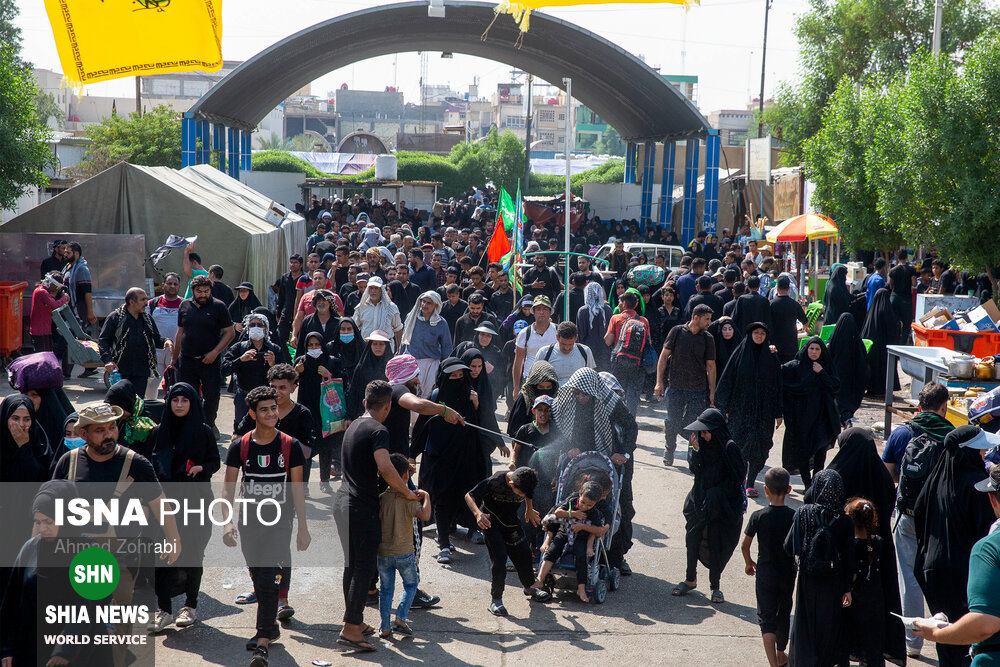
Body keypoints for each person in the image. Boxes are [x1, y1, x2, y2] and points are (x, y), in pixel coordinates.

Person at [221, 386, 310, 667]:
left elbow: (297, 489)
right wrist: (227, 524)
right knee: (259, 576)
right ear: (253, 413)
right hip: (249, 522)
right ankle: (271, 626)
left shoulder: (290, 445)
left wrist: (303, 527)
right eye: (265, 409)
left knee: (269, 579)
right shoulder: (240, 446)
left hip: (280, 523)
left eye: (274, 408)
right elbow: (227, 489)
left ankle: (262, 642)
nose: (272, 413)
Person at [334, 380, 417, 653]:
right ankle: (351, 628)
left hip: (342, 502)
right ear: (389, 406)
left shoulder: (354, 425)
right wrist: (406, 492)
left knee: (352, 565)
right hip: (361, 507)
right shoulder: (379, 430)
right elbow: (385, 467)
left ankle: (353, 621)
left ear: (364, 403)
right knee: (363, 568)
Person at [0, 480, 114, 666]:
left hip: (81, 652)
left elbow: (89, 606)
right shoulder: (31, 548)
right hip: (33, 649)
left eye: (49, 521)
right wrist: (7, 647)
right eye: (38, 522)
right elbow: (13, 602)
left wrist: (65, 649)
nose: (43, 529)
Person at [914, 425, 999, 666]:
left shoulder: (935, 478)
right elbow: (988, 531)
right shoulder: (976, 485)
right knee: (966, 637)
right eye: (981, 450)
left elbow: (919, 515)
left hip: (933, 571)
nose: (984, 453)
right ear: (969, 452)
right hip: (964, 574)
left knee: (947, 637)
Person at [880, 381, 952, 656]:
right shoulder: (952, 437)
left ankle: (912, 643)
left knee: (908, 577)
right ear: (944, 407)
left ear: (919, 406)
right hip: (938, 519)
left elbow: (887, 473)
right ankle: (948, 637)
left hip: (907, 515)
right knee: (938, 578)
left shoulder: (901, 434)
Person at [823, 427, 907, 663]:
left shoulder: (839, 473)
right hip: (877, 554)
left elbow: (817, 498)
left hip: (845, 555)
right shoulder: (881, 476)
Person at [147, 382, 221, 633]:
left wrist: (202, 468)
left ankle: (190, 605)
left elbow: (215, 461)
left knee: (192, 554)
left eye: (184, 400)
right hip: (165, 504)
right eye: (175, 400)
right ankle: (164, 609)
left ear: (192, 403)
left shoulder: (203, 432)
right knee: (162, 555)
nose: (179, 405)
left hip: (195, 501)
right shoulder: (158, 433)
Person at [554, 367, 638, 573]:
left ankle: (616, 559)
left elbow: (631, 427)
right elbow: (559, 431)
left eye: (584, 394)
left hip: (611, 462)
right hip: (580, 464)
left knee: (618, 507)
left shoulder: (611, 403)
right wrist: (568, 448)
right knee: (578, 504)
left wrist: (624, 454)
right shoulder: (568, 402)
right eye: (577, 392)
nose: (580, 397)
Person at [411, 358, 485, 564]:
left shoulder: (469, 397)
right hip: (440, 458)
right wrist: (411, 456)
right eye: (453, 376)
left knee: (461, 497)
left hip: (464, 458)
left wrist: (477, 406)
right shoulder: (435, 399)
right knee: (442, 500)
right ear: (444, 377)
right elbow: (420, 431)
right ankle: (443, 544)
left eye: (461, 376)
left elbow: (475, 427)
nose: (458, 380)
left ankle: (454, 533)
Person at [672, 408, 746, 604]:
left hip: (719, 506)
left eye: (705, 432)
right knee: (692, 538)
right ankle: (690, 579)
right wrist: (695, 450)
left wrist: (716, 494)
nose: (702, 436)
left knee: (715, 543)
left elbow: (737, 478)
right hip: (699, 500)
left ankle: (715, 586)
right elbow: (695, 470)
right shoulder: (701, 445)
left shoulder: (729, 448)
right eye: (700, 432)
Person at [783, 469, 855, 667]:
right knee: (828, 627)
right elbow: (850, 557)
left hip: (808, 578)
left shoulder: (804, 512)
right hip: (834, 581)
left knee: (805, 625)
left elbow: (789, 547)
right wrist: (847, 587)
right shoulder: (845, 521)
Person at [465, 467, 551, 616]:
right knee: (500, 558)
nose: (523, 496)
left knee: (524, 553)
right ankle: (496, 600)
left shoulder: (526, 480)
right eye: (520, 494)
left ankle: (530, 586)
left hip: (511, 522)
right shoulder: (495, 481)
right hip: (491, 523)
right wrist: (478, 514)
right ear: (511, 484)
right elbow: (469, 495)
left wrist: (529, 509)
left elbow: (528, 494)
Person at [715, 322, 783, 496]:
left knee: (761, 445)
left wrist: (778, 412)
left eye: (762, 333)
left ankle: (751, 479)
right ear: (750, 334)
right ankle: (744, 477)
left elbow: (778, 385)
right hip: (740, 409)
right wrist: (725, 406)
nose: (759, 336)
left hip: (764, 411)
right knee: (740, 444)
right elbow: (728, 379)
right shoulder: (740, 353)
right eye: (756, 333)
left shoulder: (771, 355)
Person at [741, 467, 796, 667]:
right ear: (789, 490)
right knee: (783, 613)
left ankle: (774, 663)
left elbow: (745, 544)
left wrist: (749, 563)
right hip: (788, 572)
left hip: (765, 572)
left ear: (765, 490)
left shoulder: (758, 516)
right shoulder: (795, 516)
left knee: (766, 618)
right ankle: (781, 654)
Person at [377, 453, 433, 639]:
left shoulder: (382, 498)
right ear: (406, 476)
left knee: (385, 590)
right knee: (411, 585)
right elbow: (425, 516)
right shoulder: (409, 499)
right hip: (405, 553)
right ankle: (400, 618)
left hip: (384, 552)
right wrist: (426, 496)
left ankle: (385, 627)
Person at [173, 274, 235, 439]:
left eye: (206, 291)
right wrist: (174, 359)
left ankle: (209, 424)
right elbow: (180, 333)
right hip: (187, 360)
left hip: (210, 361)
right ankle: (191, 425)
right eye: (199, 291)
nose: (202, 295)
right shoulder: (184, 305)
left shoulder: (219, 307)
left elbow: (230, 333)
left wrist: (215, 352)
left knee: (212, 395)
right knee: (188, 395)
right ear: (193, 291)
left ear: (210, 290)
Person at [655, 304, 717, 467]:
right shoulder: (677, 332)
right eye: (707, 319)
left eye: (710, 319)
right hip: (675, 386)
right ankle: (670, 449)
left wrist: (712, 392)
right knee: (672, 421)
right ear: (696, 318)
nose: (709, 322)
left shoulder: (708, 338)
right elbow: (663, 357)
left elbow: (711, 366)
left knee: (694, 424)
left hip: (698, 389)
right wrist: (659, 382)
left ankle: (692, 455)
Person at [532, 480, 607, 603]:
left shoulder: (593, 512)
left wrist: (583, 527)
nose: (584, 506)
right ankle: (540, 579)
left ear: (595, 503)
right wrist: (572, 513)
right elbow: (557, 512)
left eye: (589, 505)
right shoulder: (572, 501)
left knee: (581, 557)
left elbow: (598, 530)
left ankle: (581, 588)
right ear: (580, 494)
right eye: (583, 502)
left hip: (581, 536)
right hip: (564, 532)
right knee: (552, 551)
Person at [781, 337, 840, 489]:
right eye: (811, 349)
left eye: (817, 349)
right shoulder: (795, 367)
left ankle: (816, 484)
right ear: (806, 349)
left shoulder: (826, 366)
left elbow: (834, 387)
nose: (814, 352)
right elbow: (779, 376)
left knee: (820, 449)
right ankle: (808, 484)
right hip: (801, 419)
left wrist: (821, 373)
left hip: (822, 417)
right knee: (803, 452)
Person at [292, 331, 342, 485]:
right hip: (306, 409)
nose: (314, 348)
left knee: (326, 447)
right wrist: (296, 373)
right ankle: (304, 484)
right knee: (305, 446)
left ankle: (324, 479)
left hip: (326, 410)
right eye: (310, 345)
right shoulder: (301, 362)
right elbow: (290, 386)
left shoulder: (332, 361)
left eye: (317, 344)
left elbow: (342, 384)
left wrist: (329, 375)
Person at [222, 312, 280, 429]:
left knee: (267, 430)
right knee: (241, 430)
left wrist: (273, 364)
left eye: (260, 325)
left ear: (266, 328)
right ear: (247, 328)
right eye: (252, 325)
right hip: (243, 398)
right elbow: (223, 370)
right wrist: (241, 360)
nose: (256, 328)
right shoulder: (239, 348)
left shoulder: (274, 349)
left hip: (266, 398)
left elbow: (284, 375)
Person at [399, 292, 453, 399]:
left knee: (427, 394)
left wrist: (447, 366)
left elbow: (446, 346)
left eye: (429, 303)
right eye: (423, 302)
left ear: (435, 306)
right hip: (411, 360)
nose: (425, 305)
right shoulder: (411, 317)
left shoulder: (441, 323)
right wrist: (400, 357)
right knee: (410, 392)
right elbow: (404, 339)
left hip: (431, 363)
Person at [604, 290, 651, 412]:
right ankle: (631, 420)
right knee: (633, 396)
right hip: (638, 363)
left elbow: (608, 341)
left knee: (618, 393)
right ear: (636, 304)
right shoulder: (644, 321)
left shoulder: (616, 318)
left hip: (620, 362)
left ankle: (618, 421)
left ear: (623, 304)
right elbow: (648, 343)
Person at [826, 313, 869, 425]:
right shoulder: (857, 342)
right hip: (852, 380)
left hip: (836, 376)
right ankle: (846, 417)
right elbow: (864, 364)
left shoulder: (834, 339)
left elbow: (828, 355)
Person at [512, 296, 558, 396]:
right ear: (533, 312)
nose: (541, 312)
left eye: (545, 309)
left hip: (553, 381)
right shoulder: (525, 333)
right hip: (530, 380)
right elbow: (518, 361)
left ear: (550, 312)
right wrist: (516, 387)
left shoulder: (557, 331)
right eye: (538, 309)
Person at [861, 287, 900, 398]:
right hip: (884, 347)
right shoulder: (887, 311)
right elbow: (893, 326)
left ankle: (872, 389)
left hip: (872, 347)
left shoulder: (871, 312)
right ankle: (881, 390)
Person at [347, 331, 392, 421]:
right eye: (375, 344)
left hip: (387, 414)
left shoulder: (392, 367)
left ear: (386, 346)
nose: (377, 347)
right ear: (370, 345)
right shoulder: (361, 367)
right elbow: (353, 392)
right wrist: (349, 416)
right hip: (364, 413)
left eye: (381, 344)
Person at [535, 321, 595, 386]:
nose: (567, 348)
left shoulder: (585, 351)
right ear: (557, 337)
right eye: (563, 344)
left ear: (576, 338)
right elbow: (535, 379)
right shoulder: (544, 353)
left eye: (570, 344)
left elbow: (591, 378)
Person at [354, 276, 404, 351]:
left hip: (386, 347)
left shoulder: (391, 307)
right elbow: (354, 328)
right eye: (371, 288)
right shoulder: (361, 307)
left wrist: (398, 349)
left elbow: (398, 329)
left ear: (381, 290)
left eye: (376, 288)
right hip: (366, 347)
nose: (373, 291)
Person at [149, 272, 183, 375]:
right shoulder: (152, 304)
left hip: (177, 352)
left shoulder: (185, 304)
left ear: (179, 287)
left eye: (175, 284)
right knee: (151, 386)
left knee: (176, 386)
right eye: (169, 283)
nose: (172, 286)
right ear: (163, 285)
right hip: (156, 351)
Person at [768, 275, 808, 363]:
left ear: (777, 288)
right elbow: (805, 322)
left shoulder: (770, 304)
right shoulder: (795, 304)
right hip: (790, 345)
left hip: (774, 345)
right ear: (789, 288)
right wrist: (806, 330)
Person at [576, 281, 614, 372]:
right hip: (605, 351)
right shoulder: (607, 310)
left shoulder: (583, 311)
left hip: (587, 350)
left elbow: (580, 334)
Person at [29, 272, 68, 352]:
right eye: (57, 287)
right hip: (42, 331)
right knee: (45, 356)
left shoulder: (40, 290)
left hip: (40, 330)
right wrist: (64, 298)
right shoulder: (42, 292)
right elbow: (55, 305)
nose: (57, 290)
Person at [274, 254, 304, 346]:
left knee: (298, 339)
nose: (293, 265)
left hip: (299, 313)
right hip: (285, 312)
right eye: (291, 262)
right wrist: (278, 314)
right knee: (281, 338)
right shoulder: (285, 277)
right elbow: (281, 296)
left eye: (295, 263)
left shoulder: (304, 279)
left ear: (301, 265)